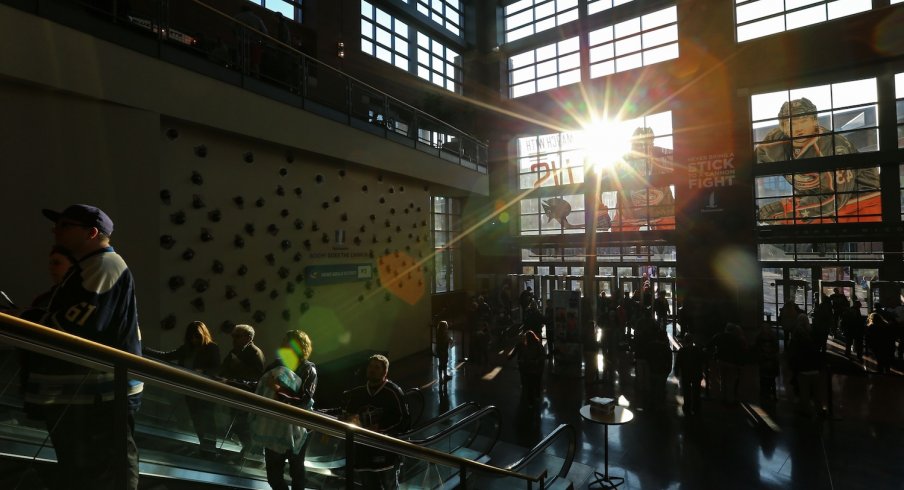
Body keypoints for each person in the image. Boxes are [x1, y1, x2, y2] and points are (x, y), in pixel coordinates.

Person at [25, 204, 143, 489]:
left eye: (65, 225)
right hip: (87, 395)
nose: (56, 230)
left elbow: (75, 325)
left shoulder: (104, 266)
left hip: (97, 397)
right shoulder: (90, 266)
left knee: (99, 475)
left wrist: (25, 319)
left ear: (92, 233)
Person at [755, 97, 881, 224]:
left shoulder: (834, 147)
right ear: (783, 127)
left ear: (815, 121)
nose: (798, 128)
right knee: (774, 220)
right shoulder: (775, 141)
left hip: (860, 203)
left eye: (804, 121)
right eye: (792, 123)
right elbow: (749, 163)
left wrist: (789, 209)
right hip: (819, 200)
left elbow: (836, 199)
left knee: (786, 223)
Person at [144, 321, 221, 456]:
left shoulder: (211, 348)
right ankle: (204, 447)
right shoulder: (187, 348)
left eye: (196, 336)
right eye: (191, 336)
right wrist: (142, 349)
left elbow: (216, 368)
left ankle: (209, 449)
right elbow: (166, 356)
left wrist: (202, 372)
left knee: (207, 421)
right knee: (197, 419)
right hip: (190, 390)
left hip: (205, 391)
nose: (193, 339)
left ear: (203, 334)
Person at [252, 330, 317, 490]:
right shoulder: (276, 364)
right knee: (273, 476)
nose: (286, 345)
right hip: (273, 426)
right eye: (286, 342)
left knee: (297, 472)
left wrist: (280, 391)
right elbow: (257, 385)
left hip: (297, 426)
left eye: (291, 342)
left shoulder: (308, 369)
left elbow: (304, 400)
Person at [343, 355, 410, 489]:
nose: (372, 370)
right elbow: (347, 414)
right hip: (363, 451)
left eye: (376, 367)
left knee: (389, 485)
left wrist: (381, 427)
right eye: (370, 366)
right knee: (368, 485)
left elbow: (404, 420)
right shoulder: (358, 393)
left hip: (386, 451)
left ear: (384, 372)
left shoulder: (393, 392)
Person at [612, 127, 676, 231]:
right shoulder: (622, 161)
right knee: (619, 234)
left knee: (671, 230)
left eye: (646, 144)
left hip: (663, 211)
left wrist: (659, 166)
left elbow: (685, 165)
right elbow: (602, 178)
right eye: (637, 145)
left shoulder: (663, 154)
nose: (642, 149)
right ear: (631, 145)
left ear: (652, 145)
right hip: (629, 216)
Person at [220, 323, 265, 453]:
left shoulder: (255, 353)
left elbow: (256, 377)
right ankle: (248, 449)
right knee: (236, 424)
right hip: (234, 394)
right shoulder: (235, 351)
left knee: (241, 425)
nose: (234, 339)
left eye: (237, 336)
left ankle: (251, 450)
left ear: (249, 337)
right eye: (233, 336)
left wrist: (238, 365)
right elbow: (224, 368)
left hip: (245, 397)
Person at [509, 330, 545, 407]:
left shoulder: (523, 345)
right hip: (536, 368)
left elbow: (515, 353)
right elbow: (542, 355)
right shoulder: (537, 344)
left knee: (529, 384)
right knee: (536, 382)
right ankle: (536, 396)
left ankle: (530, 400)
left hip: (528, 368)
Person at [675, 334, 706, 415]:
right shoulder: (698, 350)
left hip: (686, 374)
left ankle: (687, 406)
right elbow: (703, 361)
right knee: (696, 391)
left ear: (685, 341)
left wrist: (676, 372)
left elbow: (678, 363)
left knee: (686, 391)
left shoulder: (682, 350)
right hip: (696, 373)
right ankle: (696, 407)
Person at [233, 5, 268, 77]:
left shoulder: (238, 17)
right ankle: (256, 77)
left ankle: (241, 74)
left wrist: (237, 35)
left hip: (242, 41)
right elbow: (265, 32)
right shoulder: (257, 19)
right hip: (255, 43)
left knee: (242, 58)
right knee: (255, 62)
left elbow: (232, 28)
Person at [434, 320, 453, 392]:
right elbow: (444, 341)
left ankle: (445, 375)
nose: (447, 327)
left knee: (444, 362)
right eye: (446, 326)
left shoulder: (442, 333)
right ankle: (441, 378)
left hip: (443, 350)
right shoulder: (441, 334)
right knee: (442, 364)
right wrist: (449, 340)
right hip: (442, 350)